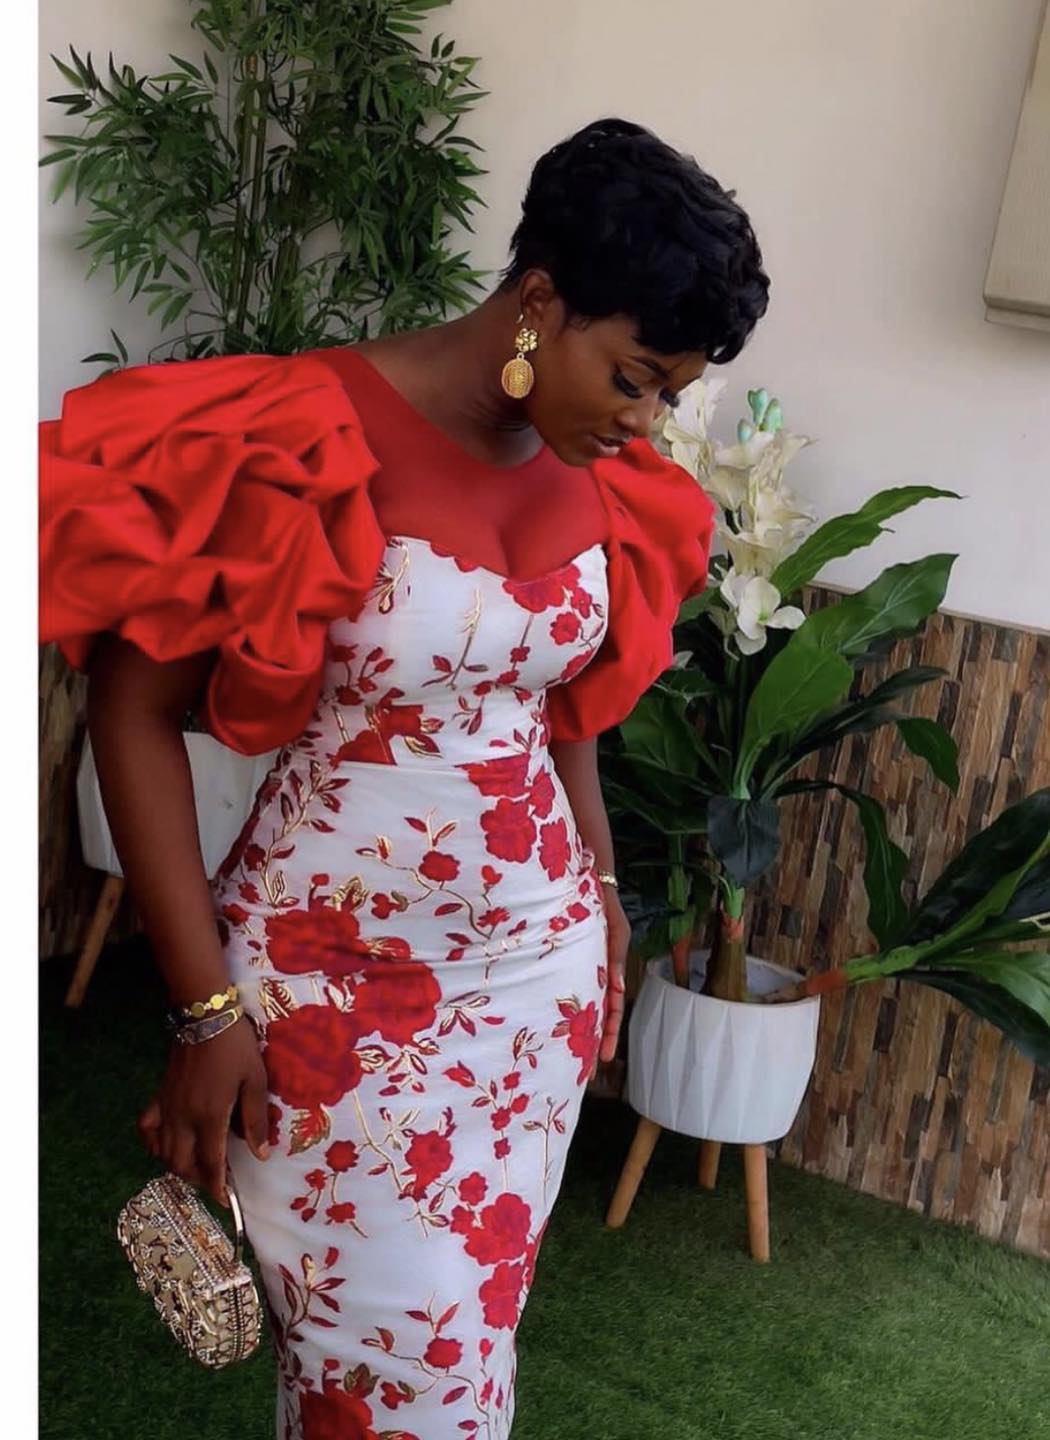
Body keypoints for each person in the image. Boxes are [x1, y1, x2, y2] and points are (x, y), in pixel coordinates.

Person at [40, 116, 769, 1439]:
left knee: (467, 1353)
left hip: (535, 993)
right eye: (633, 377)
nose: (645, 420)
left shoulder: (597, 468)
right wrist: (202, 1010)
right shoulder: (296, 431)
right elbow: (130, 714)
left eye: (667, 393)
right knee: (379, 1382)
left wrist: (603, 887)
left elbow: (560, 706)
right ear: (538, 300)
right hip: (327, 998)